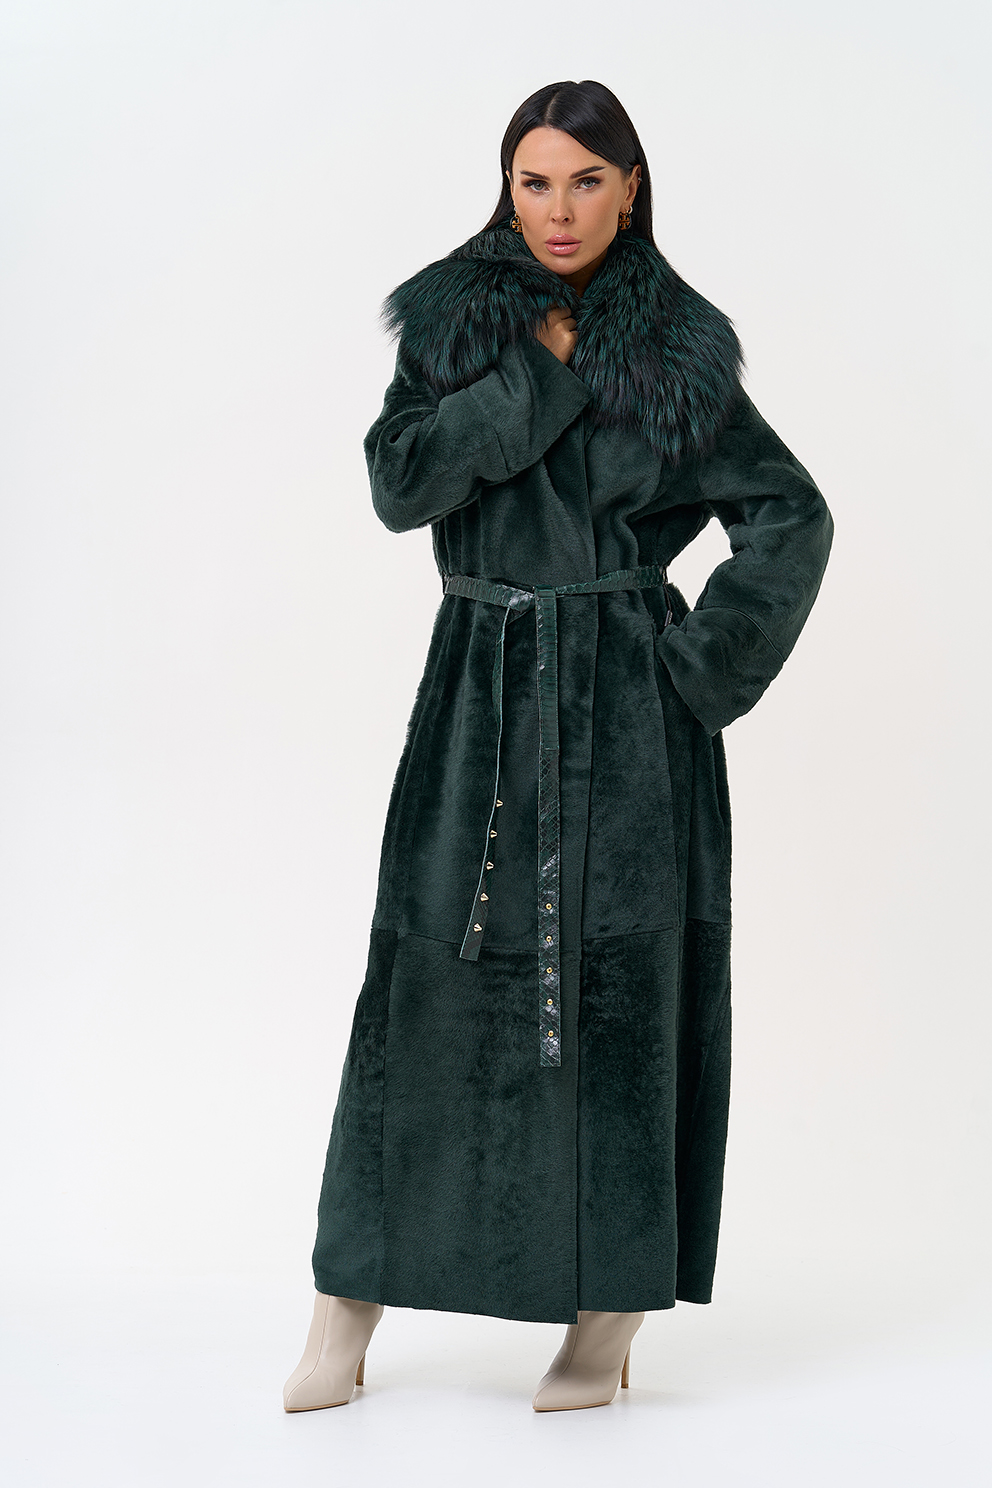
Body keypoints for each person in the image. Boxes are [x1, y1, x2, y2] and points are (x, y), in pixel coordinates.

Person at [283, 78, 834, 1414]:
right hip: (478, 695)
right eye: (535, 182)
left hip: (630, 722)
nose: (560, 210)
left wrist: (693, 670)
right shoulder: (454, 322)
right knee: (422, 986)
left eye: (587, 181)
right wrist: (531, 373)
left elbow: (790, 517)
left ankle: (608, 1309)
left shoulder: (679, 352)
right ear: (507, 186)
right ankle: (347, 1298)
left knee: (616, 1003)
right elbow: (399, 485)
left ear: (630, 189)